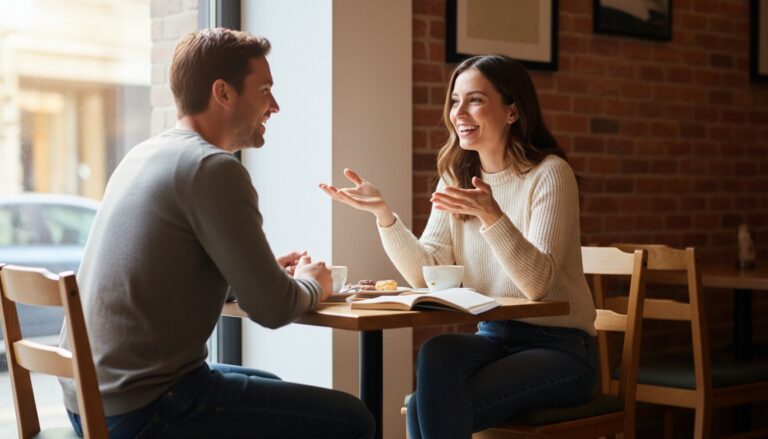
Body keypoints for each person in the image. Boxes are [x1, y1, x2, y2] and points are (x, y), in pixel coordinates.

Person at [59, 28, 374, 438]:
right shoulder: (213, 168)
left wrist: (253, 273)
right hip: (144, 408)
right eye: (264, 91)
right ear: (222, 93)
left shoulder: (145, 154)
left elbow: (162, 274)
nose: (275, 106)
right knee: (353, 420)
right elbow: (273, 310)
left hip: (89, 402)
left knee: (272, 387)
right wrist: (313, 284)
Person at [320, 55, 598, 439]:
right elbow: (426, 273)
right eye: (454, 100)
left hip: (563, 349)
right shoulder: (456, 176)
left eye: (475, 100)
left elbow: (538, 285)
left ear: (513, 111)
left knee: (423, 408)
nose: (458, 112)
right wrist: (384, 215)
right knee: (439, 351)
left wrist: (491, 217)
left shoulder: (549, 174)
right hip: (494, 336)